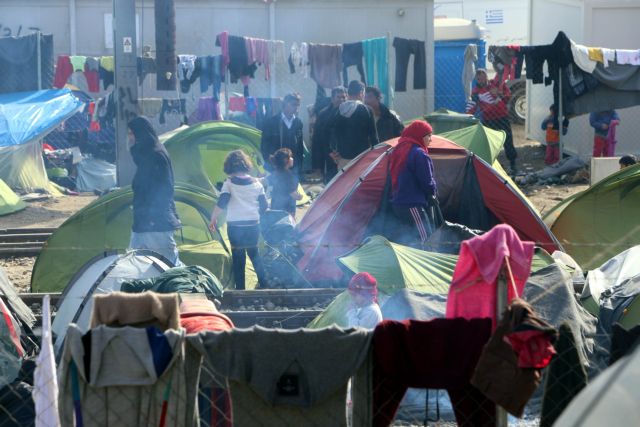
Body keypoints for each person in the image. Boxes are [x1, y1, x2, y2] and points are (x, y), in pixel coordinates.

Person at [127, 116, 182, 266]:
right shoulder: (150, 154)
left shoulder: (155, 155)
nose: (130, 138)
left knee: (167, 266)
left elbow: (164, 188)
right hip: (145, 222)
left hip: (154, 223)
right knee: (137, 263)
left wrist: (153, 217)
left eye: (131, 133)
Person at [209, 150, 267, 290]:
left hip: (235, 226)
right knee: (254, 254)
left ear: (229, 166)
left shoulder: (228, 184)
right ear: (246, 165)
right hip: (253, 225)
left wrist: (213, 218)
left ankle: (240, 289)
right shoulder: (258, 184)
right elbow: (264, 206)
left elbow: (222, 202)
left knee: (238, 256)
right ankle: (265, 284)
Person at [388, 120, 438, 249]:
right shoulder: (419, 154)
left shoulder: (399, 150)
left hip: (398, 203)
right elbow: (427, 182)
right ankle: (426, 264)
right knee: (425, 239)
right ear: (420, 136)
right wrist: (433, 191)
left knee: (407, 238)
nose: (430, 140)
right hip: (412, 203)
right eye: (428, 136)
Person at [466, 69, 518, 173]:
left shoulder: (496, 84)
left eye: (482, 77)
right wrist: (467, 117)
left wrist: (500, 94)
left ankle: (513, 164)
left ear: (486, 76)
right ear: (476, 79)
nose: (481, 80)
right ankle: (493, 165)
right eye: (478, 78)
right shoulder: (476, 91)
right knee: (490, 143)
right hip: (489, 120)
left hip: (502, 117)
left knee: (508, 141)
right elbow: (472, 106)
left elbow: (508, 95)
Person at [329, 80, 379, 169]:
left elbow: (331, 133)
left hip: (343, 158)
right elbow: (374, 137)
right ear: (361, 93)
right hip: (363, 157)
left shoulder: (338, 110)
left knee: (345, 183)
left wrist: (333, 150)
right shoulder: (367, 110)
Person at [261, 93, 304, 179]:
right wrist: (271, 161)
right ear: (285, 104)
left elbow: (300, 146)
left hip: (292, 167)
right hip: (276, 167)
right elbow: (264, 145)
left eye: (298, 105)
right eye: (293, 105)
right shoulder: (271, 122)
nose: (296, 108)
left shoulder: (298, 122)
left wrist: (298, 165)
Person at [312, 86, 346, 182]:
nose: (341, 100)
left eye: (344, 97)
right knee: (331, 182)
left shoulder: (349, 113)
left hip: (345, 155)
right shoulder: (323, 115)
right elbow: (317, 139)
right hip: (328, 155)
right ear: (332, 99)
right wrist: (317, 164)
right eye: (338, 97)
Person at [267, 148, 302, 218]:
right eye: (291, 157)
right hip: (287, 210)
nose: (292, 158)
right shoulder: (289, 176)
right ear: (286, 160)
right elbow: (293, 194)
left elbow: (265, 181)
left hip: (275, 207)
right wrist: (300, 197)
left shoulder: (275, 173)